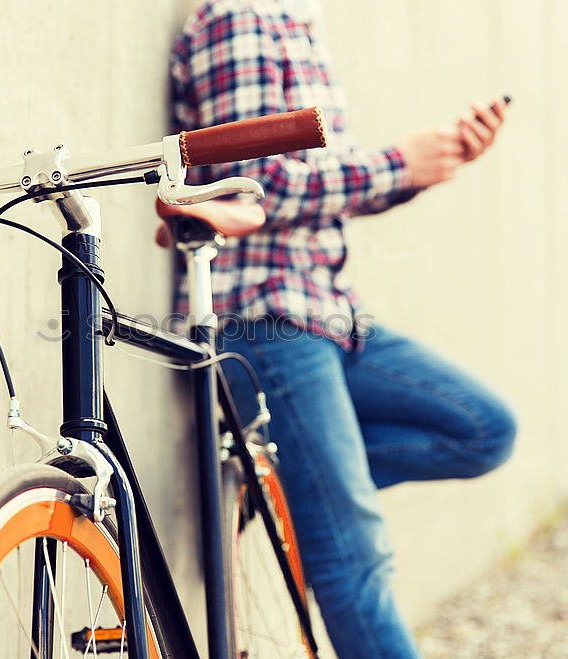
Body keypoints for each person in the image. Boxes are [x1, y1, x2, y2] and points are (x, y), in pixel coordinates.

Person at [167, 1, 517, 657]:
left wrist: (433, 161)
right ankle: (316, 494)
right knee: (356, 564)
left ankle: (301, 488)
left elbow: (325, 190)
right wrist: (394, 163)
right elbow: (253, 186)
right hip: (266, 324)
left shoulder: (295, 23)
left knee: (484, 428)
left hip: (329, 315)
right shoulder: (240, 20)